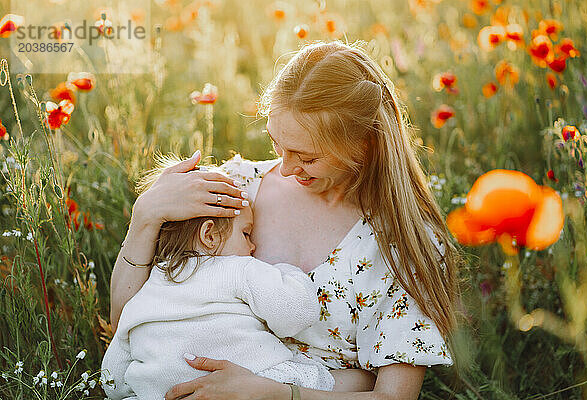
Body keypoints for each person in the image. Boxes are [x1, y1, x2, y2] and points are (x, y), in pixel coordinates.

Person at [110, 40, 461, 400]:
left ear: (364, 144)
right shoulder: (236, 191)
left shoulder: (401, 246)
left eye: (307, 157)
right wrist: (146, 217)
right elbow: (134, 321)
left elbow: (393, 397)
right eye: (278, 143)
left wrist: (274, 393)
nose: (287, 168)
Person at [101, 159, 335, 399]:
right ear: (209, 236)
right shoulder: (237, 269)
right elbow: (296, 313)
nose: (253, 246)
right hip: (247, 382)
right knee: (341, 380)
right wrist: (288, 272)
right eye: (245, 233)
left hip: (165, 394)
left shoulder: (145, 291)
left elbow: (113, 380)